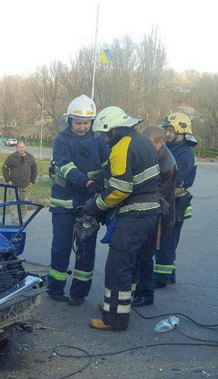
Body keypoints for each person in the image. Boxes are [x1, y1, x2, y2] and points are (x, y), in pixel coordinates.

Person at [82, 106, 160, 331]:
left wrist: (96, 206)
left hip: (134, 215)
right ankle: (118, 305)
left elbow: (121, 189)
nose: (104, 139)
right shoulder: (143, 140)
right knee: (132, 263)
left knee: (118, 266)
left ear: (112, 130)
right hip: (150, 213)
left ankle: (114, 318)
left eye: (104, 134)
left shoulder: (121, 147)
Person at [48, 95, 110, 306]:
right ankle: (55, 287)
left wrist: (101, 187)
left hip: (89, 201)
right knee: (61, 247)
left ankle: (79, 292)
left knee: (86, 249)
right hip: (64, 201)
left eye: (86, 123)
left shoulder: (99, 140)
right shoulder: (61, 139)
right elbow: (64, 167)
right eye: (78, 123)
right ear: (70, 120)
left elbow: (107, 164)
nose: (82, 127)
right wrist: (87, 183)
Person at [132, 125, 178, 307]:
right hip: (153, 215)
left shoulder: (165, 165)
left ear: (160, 142)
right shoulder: (157, 156)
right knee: (140, 255)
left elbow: (158, 196)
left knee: (145, 257)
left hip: (158, 218)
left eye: (149, 144)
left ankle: (146, 294)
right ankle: (138, 290)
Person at [154, 112, 197, 288]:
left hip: (175, 203)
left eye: (171, 130)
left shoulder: (185, 153)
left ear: (182, 132)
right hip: (167, 201)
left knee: (166, 241)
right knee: (166, 241)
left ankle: (161, 278)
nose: (167, 133)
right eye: (166, 129)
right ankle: (169, 274)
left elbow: (176, 178)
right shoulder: (168, 149)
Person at [1, 141, 37, 221]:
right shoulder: (11, 157)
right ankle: (15, 223)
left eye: (23, 147)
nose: (21, 149)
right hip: (14, 186)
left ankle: (22, 222)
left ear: (25, 147)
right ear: (17, 148)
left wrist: (32, 181)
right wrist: (8, 180)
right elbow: (4, 168)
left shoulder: (30, 157)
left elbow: (34, 169)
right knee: (14, 205)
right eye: (19, 147)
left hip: (26, 186)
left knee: (23, 205)